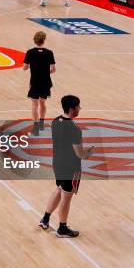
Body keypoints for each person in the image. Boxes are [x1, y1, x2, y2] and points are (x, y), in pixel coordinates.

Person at [39, 95, 93, 238]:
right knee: (66, 196)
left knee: (59, 189)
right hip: (70, 167)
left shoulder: (56, 121)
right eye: (78, 106)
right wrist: (88, 153)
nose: (80, 108)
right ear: (71, 109)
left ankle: (45, 219)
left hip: (57, 162)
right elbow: (79, 154)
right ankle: (62, 228)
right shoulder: (75, 130)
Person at [23, 31, 55, 136]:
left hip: (34, 81)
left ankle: (35, 128)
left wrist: (27, 67)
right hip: (45, 81)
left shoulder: (30, 52)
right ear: (44, 40)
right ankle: (42, 125)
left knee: (34, 104)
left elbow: (25, 67)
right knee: (43, 103)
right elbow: (53, 69)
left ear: (35, 40)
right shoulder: (49, 53)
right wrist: (46, 72)